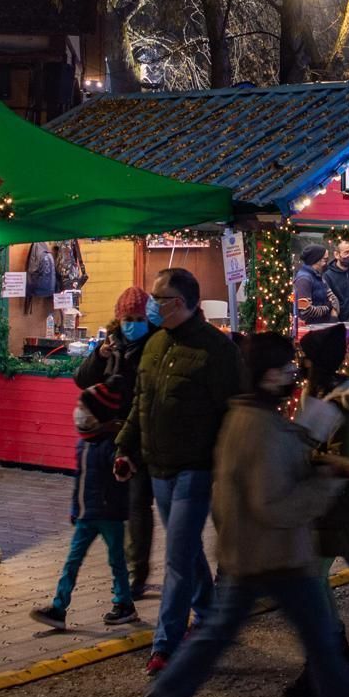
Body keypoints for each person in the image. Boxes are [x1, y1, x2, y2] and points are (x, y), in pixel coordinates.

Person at [128, 334, 349, 697]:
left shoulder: (252, 415)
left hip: (251, 550)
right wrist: (329, 479)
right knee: (318, 634)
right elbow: (276, 506)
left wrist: (314, 447)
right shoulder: (257, 426)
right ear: (270, 375)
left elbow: (281, 461)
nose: (294, 374)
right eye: (289, 367)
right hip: (272, 552)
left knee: (233, 634)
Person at [114, 267, 242, 676]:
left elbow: (233, 411)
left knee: (177, 557)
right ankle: (208, 614)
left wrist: (228, 466)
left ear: (183, 303)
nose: (152, 304)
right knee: (184, 550)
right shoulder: (155, 346)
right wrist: (126, 446)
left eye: (159, 298)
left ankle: (166, 643)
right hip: (158, 465)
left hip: (196, 468)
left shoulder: (216, 350)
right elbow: (141, 401)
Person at [284, 323, 349, 697]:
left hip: (334, 506)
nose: (299, 362)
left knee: (309, 583)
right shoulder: (325, 392)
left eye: (303, 355)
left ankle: (324, 665)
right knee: (312, 583)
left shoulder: (340, 400)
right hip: (321, 506)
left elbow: (343, 456)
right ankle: (331, 653)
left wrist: (295, 454)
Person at [31, 351, 139, 633]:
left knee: (116, 561)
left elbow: (122, 473)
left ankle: (124, 603)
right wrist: (74, 509)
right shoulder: (85, 444)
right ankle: (58, 606)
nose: (79, 413)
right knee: (72, 561)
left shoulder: (109, 446)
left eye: (84, 409)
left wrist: (124, 467)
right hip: (86, 515)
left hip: (109, 515)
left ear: (98, 416)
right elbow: (79, 480)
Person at [76, 286, 156, 598]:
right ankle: (121, 572)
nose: (132, 324)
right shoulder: (111, 344)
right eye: (127, 318)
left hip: (138, 437)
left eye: (138, 318)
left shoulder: (154, 346)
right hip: (110, 438)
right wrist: (99, 356)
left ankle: (137, 573)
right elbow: (81, 379)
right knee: (112, 506)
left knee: (137, 505)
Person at [293, 246, 337, 324]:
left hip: (321, 326)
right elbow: (305, 311)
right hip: (310, 329)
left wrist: (333, 313)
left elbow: (333, 298)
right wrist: (327, 308)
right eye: (325, 260)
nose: (326, 263)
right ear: (316, 260)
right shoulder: (304, 279)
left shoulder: (318, 276)